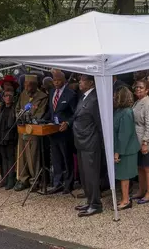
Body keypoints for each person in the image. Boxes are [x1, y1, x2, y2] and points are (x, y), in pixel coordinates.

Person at [73, 75, 103, 217]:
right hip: (81, 141)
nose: (80, 82)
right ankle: (89, 200)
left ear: (91, 83)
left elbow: (99, 122)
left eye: (83, 80)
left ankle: (96, 204)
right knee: (84, 174)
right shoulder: (84, 97)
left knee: (91, 174)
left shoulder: (95, 99)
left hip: (90, 141)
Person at [44, 70, 78, 195]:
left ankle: (69, 184)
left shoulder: (71, 94)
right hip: (53, 131)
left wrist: (68, 123)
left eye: (58, 80)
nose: (56, 83)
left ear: (63, 81)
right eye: (54, 80)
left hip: (65, 133)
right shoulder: (52, 92)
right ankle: (57, 183)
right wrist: (43, 120)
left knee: (66, 158)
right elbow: (51, 111)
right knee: (56, 158)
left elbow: (75, 113)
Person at [14, 75, 49, 191]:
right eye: (25, 84)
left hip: (34, 131)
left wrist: (28, 117)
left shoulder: (43, 97)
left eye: (29, 85)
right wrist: (19, 117)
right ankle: (23, 179)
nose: (27, 87)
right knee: (22, 156)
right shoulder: (23, 94)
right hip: (22, 130)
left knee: (33, 156)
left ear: (35, 85)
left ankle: (35, 180)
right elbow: (18, 108)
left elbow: (40, 113)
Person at [113, 87, 140, 210]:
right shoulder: (119, 111)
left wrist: (118, 152)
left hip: (126, 150)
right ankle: (124, 198)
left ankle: (126, 200)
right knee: (122, 176)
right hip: (122, 148)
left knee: (124, 176)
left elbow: (124, 134)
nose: (114, 97)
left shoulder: (127, 112)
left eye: (116, 96)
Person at [132, 79, 149, 204]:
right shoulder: (137, 102)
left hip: (146, 141)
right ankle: (141, 190)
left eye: (141, 87)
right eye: (137, 87)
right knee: (140, 167)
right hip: (137, 140)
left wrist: (145, 142)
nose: (138, 89)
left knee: (148, 167)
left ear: (147, 90)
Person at [0, 90, 18, 190]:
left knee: (10, 159)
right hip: (0, 137)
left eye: (10, 95)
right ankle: (4, 178)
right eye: (6, 96)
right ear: (3, 97)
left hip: (10, 138)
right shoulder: (0, 108)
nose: (8, 97)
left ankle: (11, 180)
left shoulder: (15, 108)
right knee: (3, 158)